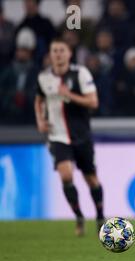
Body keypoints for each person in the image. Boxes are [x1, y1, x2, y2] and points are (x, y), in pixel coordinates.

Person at [34, 38, 105, 236]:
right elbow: (38, 100)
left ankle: (100, 216)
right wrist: (40, 119)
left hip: (81, 136)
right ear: (50, 54)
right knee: (66, 175)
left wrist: (69, 95)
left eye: (61, 50)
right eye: (54, 50)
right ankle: (79, 217)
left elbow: (93, 102)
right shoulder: (44, 78)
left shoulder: (80, 74)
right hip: (57, 136)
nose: (58, 54)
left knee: (91, 179)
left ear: (69, 54)